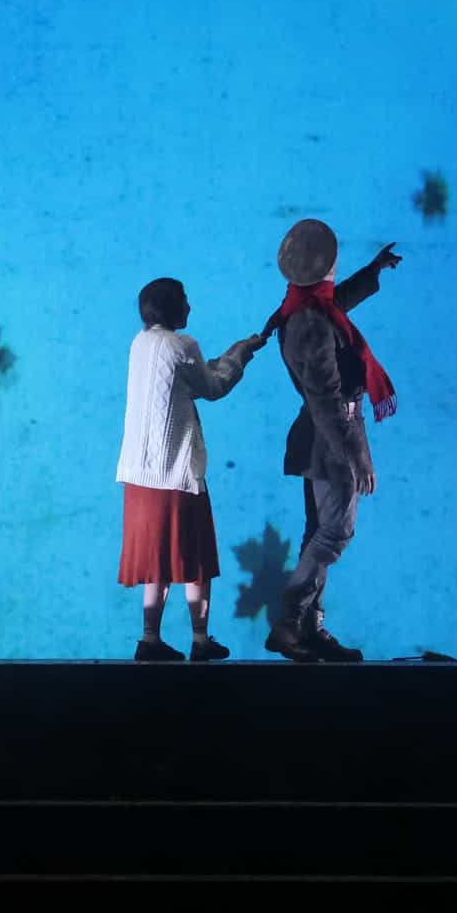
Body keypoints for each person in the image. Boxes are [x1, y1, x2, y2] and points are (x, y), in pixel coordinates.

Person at [259, 220, 402, 663]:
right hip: (331, 435)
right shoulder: (308, 322)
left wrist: (373, 270)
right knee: (335, 532)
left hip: (327, 433)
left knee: (318, 532)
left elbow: (339, 301)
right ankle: (289, 622)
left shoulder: (309, 306)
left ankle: (309, 625)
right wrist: (356, 457)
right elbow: (325, 399)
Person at [115, 277, 266, 661]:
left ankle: (150, 638)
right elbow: (212, 387)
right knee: (195, 557)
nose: (190, 306)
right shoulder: (184, 345)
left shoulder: (140, 344)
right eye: (184, 300)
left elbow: (187, 382)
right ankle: (200, 639)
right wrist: (240, 353)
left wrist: (226, 357)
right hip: (176, 471)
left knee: (158, 560)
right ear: (172, 307)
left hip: (139, 473)